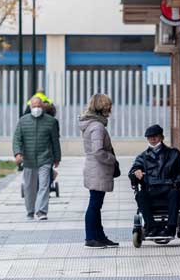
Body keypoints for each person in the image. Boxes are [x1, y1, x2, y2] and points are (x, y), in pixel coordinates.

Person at [129, 124, 180, 238]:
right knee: (140, 195)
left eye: (155, 136)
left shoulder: (174, 154)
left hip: (169, 188)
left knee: (174, 193)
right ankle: (152, 227)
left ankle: (171, 228)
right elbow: (132, 171)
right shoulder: (142, 157)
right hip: (150, 189)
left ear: (161, 137)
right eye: (149, 137)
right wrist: (135, 172)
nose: (152, 139)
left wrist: (176, 182)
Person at [13, 95, 61, 221]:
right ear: (30, 107)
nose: (37, 109)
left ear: (43, 107)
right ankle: (30, 211)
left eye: (39, 106)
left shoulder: (51, 122)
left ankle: (41, 211)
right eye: (34, 106)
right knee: (29, 187)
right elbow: (17, 139)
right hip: (28, 160)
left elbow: (55, 141)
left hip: (45, 159)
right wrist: (18, 153)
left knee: (44, 185)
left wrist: (57, 157)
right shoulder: (23, 121)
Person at [80, 94, 119, 248]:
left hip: (94, 168)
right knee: (95, 204)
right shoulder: (97, 127)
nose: (110, 110)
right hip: (98, 169)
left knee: (96, 203)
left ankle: (99, 236)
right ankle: (91, 238)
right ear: (103, 108)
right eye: (108, 107)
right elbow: (98, 151)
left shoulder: (92, 124)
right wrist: (112, 159)